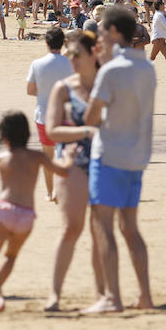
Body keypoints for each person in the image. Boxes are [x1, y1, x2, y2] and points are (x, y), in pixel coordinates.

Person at [82, 5, 155, 314]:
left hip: (109, 154)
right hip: (136, 156)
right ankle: (145, 296)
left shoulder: (112, 70)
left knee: (104, 227)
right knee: (130, 229)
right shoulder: (146, 68)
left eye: (101, 31)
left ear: (113, 32)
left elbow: (90, 116)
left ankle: (112, 297)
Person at [0, 111, 71, 320]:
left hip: (5, 211)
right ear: (27, 134)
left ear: (4, 137)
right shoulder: (38, 157)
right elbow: (62, 172)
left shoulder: (2, 157)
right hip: (27, 216)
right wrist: (69, 159)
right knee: (10, 257)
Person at [44, 29, 105, 312]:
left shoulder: (108, 86)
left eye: (76, 54)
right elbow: (53, 131)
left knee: (99, 231)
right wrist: (87, 131)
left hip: (106, 162)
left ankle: (102, 294)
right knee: (71, 228)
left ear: (94, 53)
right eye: (69, 54)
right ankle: (54, 294)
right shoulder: (63, 88)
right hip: (73, 163)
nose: (72, 60)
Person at [26, 27, 72, 201]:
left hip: (44, 114)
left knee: (47, 155)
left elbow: (30, 90)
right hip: (65, 114)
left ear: (46, 43)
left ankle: (50, 192)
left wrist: (46, 92)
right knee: (65, 154)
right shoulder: (69, 64)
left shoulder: (37, 64)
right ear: (63, 43)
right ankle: (62, 189)